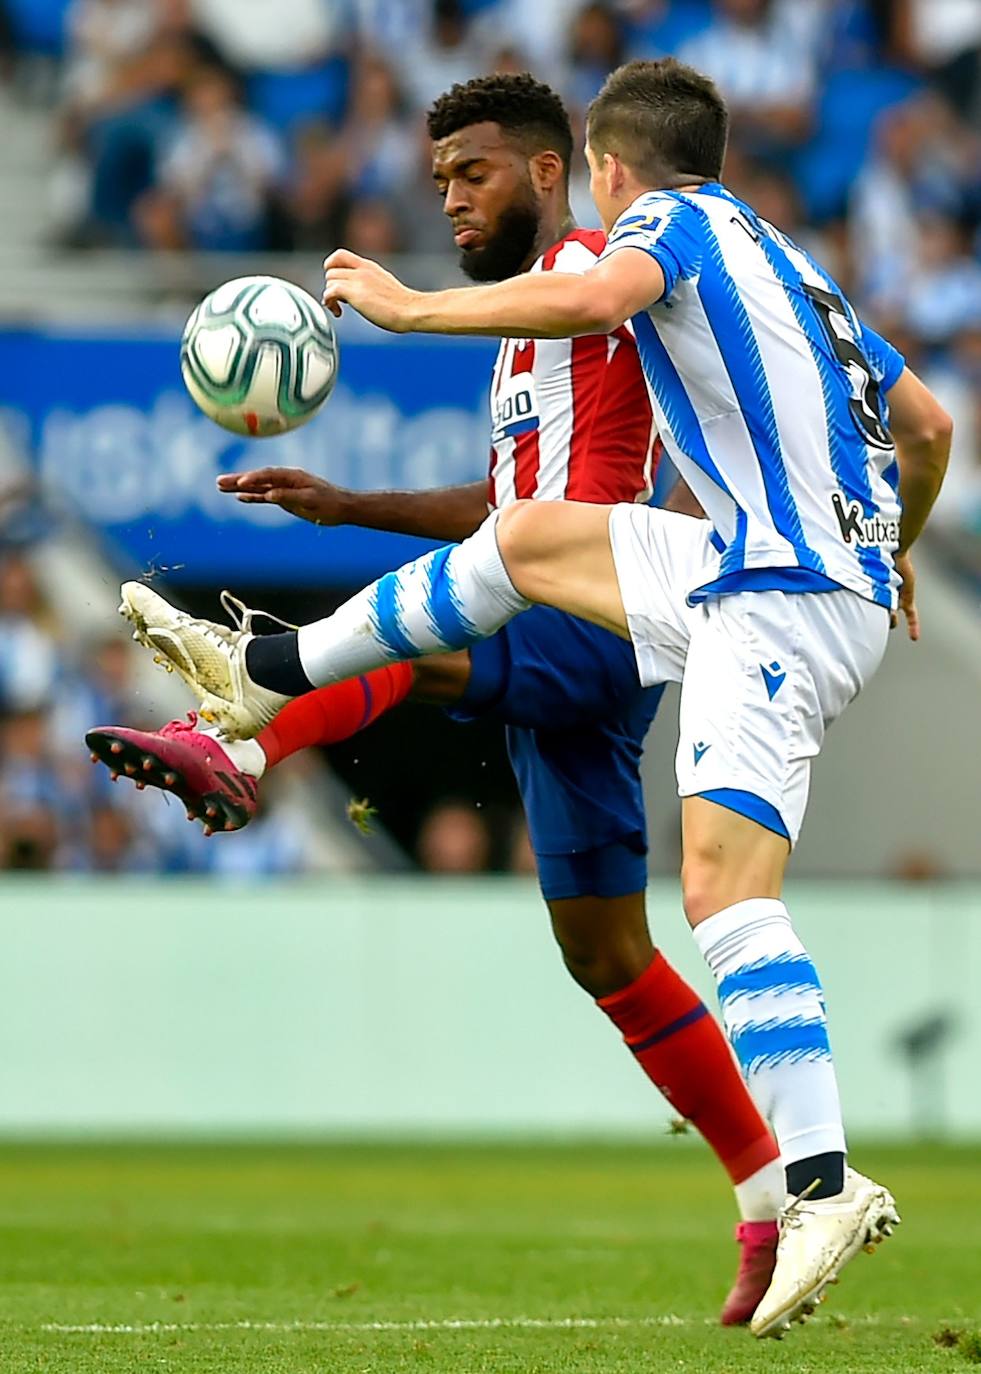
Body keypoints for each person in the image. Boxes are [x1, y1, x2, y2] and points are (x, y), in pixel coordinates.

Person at [124, 56, 949, 1336]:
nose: (451, 198)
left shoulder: (633, 240)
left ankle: (825, 1182)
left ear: (592, 169)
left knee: (724, 893)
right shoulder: (786, 262)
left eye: (471, 173)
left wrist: (397, 309)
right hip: (731, 572)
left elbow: (604, 297)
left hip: (729, 603)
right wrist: (894, 550)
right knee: (601, 924)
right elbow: (931, 425)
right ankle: (263, 676)